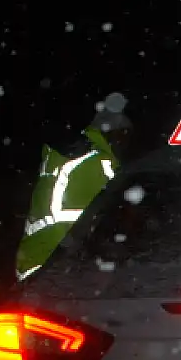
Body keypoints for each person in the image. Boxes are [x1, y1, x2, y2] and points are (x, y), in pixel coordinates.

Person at [15, 93, 134, 280]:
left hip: (42, 260)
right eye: (124, 134)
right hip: (56, 262)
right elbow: (101, 212)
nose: (126, 142)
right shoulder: (98, 162)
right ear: (113, 133)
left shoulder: (78, 154)